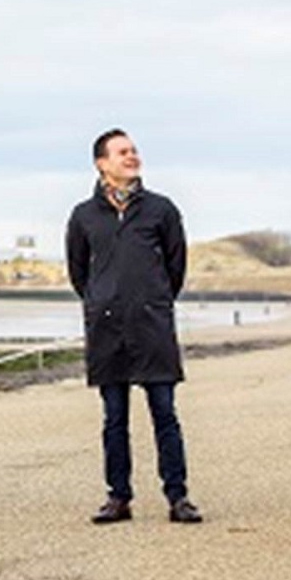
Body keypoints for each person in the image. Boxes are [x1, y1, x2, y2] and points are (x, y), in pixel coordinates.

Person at [65, 128, 202, 525]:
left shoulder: (161, 209)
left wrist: (154, 300)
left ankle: (178, 497)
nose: (132, 156)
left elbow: (176, 268)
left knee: (165, 414)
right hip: (107, 330)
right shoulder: (84, 215)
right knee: (114, 419)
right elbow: (78, 273)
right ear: (101, 163)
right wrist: (101, 300)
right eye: (122, 152)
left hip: (152, 325)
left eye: (134, 150)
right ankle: (118, 497)